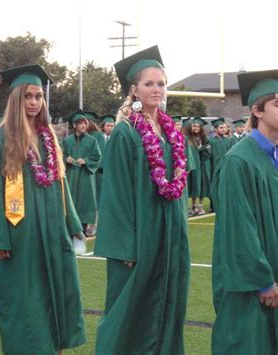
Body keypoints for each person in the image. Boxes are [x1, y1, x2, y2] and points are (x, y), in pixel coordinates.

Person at [0, 64, 86, 354]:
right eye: (27, 96)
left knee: (59, 295)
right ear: (15, 99)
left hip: (51, 230)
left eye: (38, 96)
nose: (34, 102)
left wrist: (71, 224)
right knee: (26, 304)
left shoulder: (48, 138)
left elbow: (61, 184)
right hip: (19, 236)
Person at [94, 45, 190, 354]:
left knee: (167, 303)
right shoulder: (125, 133)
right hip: (139, 238)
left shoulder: (171, 131)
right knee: (130, 309)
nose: (157, 89)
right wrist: (125, 245)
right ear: (133, 89)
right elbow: (116, 193)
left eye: (161, 84)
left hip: (169, 234)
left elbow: (177, 185)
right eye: (149, 83)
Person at [211, 69, 278, 354]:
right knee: (249, 343)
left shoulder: (273, 156)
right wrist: (262, 280)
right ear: (256, 111)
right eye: (277, 103)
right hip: (252, 283)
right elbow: (239, 227)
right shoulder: (238, 160)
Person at [62, 109, 102, 234]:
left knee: (85, 201)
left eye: (85, 123)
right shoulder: (67, 141)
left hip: (85, 176)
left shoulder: (92, 140)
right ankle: (70, 230)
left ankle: (83, 230)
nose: (84, 125)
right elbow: (59, 156)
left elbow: (97, 157)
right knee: (71, 200)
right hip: (71, 175)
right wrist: (65, 159)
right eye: (80, 123)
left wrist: (86, 161)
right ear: (74, 125)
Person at [185, 117, 212, 216]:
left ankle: (199, 205)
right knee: (192, 184)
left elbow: (208, 152)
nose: (196, 128)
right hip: (193, 164)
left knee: (200, 184)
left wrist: (203, 150)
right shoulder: (189, 138)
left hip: (202, 165)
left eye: (198, 126)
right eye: (194, 126)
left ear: (201, 128)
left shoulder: (205, 139)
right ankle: (192, 206)